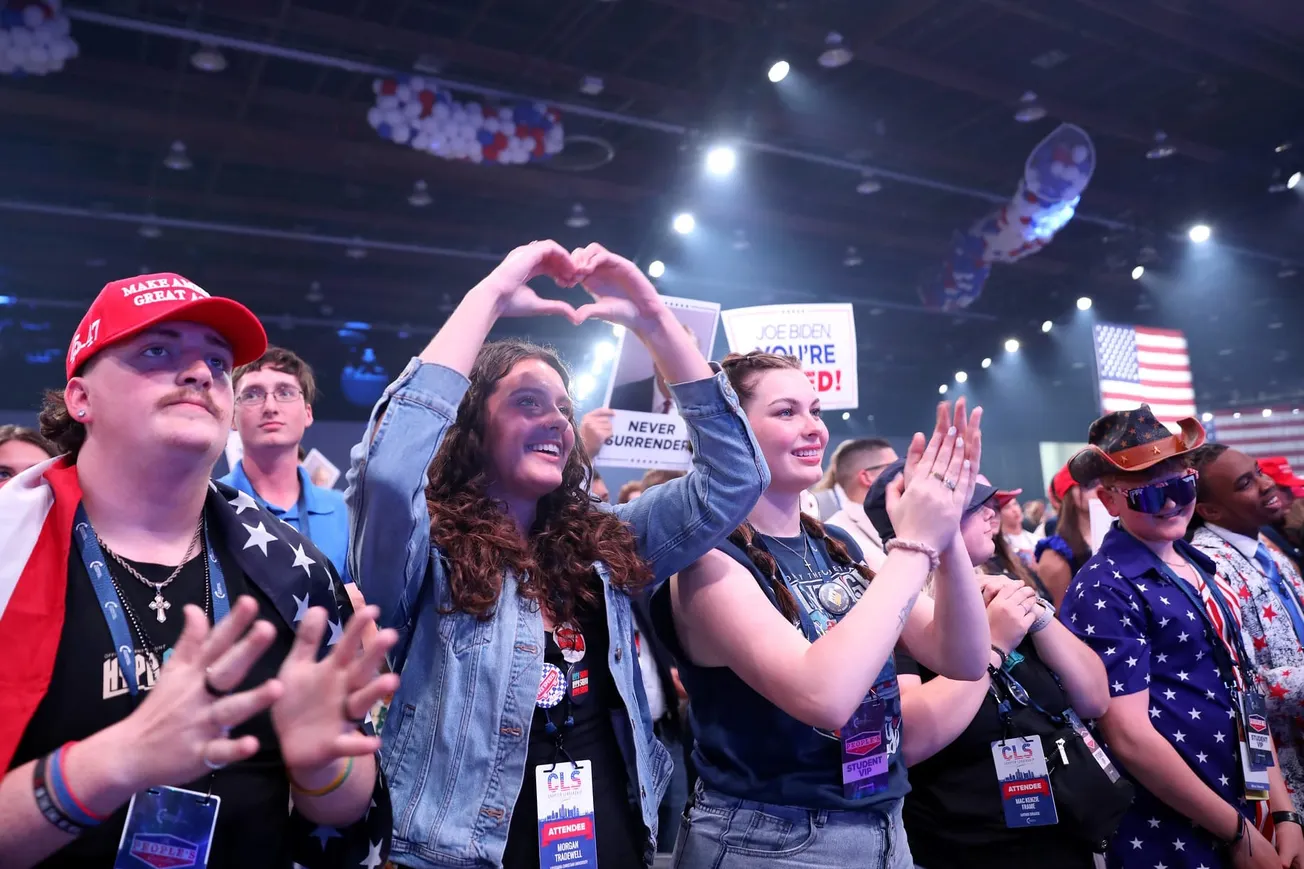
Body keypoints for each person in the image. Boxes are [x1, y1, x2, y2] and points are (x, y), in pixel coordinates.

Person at [345, 241, 768, 869]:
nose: (557, 422)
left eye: (564, 409)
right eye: (528, 403)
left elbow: (735, 478)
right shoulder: (424, 549)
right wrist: (485, 299)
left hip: (609, 833)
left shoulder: (604, 537)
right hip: (459, 849)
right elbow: (386, 474)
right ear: (472, 428)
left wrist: (655, 322)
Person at [0, 272, 396, 867]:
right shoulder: (10, 551)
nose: (201, 373)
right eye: (157, 351)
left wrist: (321, 766)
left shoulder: (295, 573)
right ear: (81, 398)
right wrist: (113, 764)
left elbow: (343, 817)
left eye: (216, 360)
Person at [655, 352, 991, 869]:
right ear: (727, 431)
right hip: (768, 840)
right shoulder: (708, 562)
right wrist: (914, 544)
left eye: (815, 410)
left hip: (882, 820)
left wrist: (946, 536)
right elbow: (825, 697)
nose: (814, 428)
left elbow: (965, 658)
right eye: (787, 412)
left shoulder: (837, 543)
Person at [1059, 404, 1303, 869]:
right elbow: (1128, 735)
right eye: (1148, 496)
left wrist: (1282, 810)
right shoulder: (1103, 588)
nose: (1171, 503)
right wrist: (1237, 833)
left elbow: (1244, 692)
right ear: (1109, 501)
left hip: (1243, 804)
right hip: (1171, 828)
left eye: (1180, 486)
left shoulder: (1199, 565)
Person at [887, 468, 1110, 868]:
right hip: (963, 850)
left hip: (1062, 842)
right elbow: (908, 740)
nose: (995, 512)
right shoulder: (900, 619)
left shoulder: (1003, 594)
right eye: (977, 505)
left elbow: (1095, 699)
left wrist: (1038, 616)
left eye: (994, 503)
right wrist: (995, 644)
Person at [1189, 445, 1304, 811]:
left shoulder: (1262, 546)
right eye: (1245, 483)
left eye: (1258, 471)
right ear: (1209, 509)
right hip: (1277, 769)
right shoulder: (1208, 565)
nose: (1267, 484)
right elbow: (1239, 684)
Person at [219, 348, 356, 594]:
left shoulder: (343, 512)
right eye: (252, 394)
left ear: (307, 413)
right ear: (231, 417)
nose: (270, 406)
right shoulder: (210, 506)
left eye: (285, 392)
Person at [823, 437, 899, 569]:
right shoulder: (837, 535)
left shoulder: (900, 520)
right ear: (867, 477)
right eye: (894, 467)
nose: (902, 474)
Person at [608, 323, 698, 415]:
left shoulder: (704, 408)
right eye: (671, 354)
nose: (678, 364)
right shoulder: (619, 398)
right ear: (655, 356)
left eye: (687, 357)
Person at [1036, 474, 1095, 607]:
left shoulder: (1118, 534)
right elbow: (1057, 614)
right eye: (1089, 484)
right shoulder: (1056, 552)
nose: (1100, 488)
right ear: (1069, 494)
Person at [1000, 495, 1038, 566]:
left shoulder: (1036, 539)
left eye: (1015, 504)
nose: (1014, 510)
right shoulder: (1000, 545)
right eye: (1007, 507)